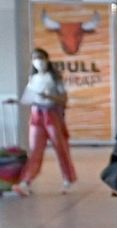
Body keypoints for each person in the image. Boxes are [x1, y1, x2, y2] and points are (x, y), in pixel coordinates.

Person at [15, 47, 75, 195]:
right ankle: (25, 181)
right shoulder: (33, 79)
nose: (38, 61)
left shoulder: (54, 78)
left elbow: (64, 99)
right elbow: (28, 97)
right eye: (35, 58)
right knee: (35, 149)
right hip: (36, 115)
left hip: (52, 113)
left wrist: (49, 97)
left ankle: (68, 178)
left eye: (41, 58)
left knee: (60, 147)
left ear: (47, 59)